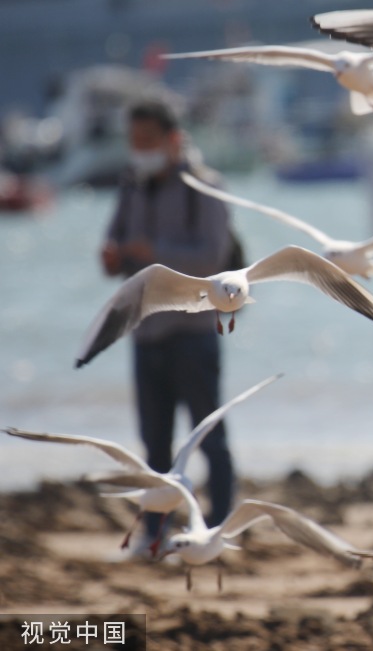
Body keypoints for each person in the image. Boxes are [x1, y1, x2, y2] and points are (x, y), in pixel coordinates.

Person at [101, 98, 235, 548]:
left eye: (147, 141)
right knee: (154, 447)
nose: (139, 150)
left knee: (209, 440)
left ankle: (218, 532)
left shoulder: (207, 188)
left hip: (195, 335)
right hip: (146, 333)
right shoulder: (131, 186)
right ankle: (154, 534)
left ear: (173, 140)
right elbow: (116, 249)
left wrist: (151, 249)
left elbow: (213, 260)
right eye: (133, 142)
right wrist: (114, 254)